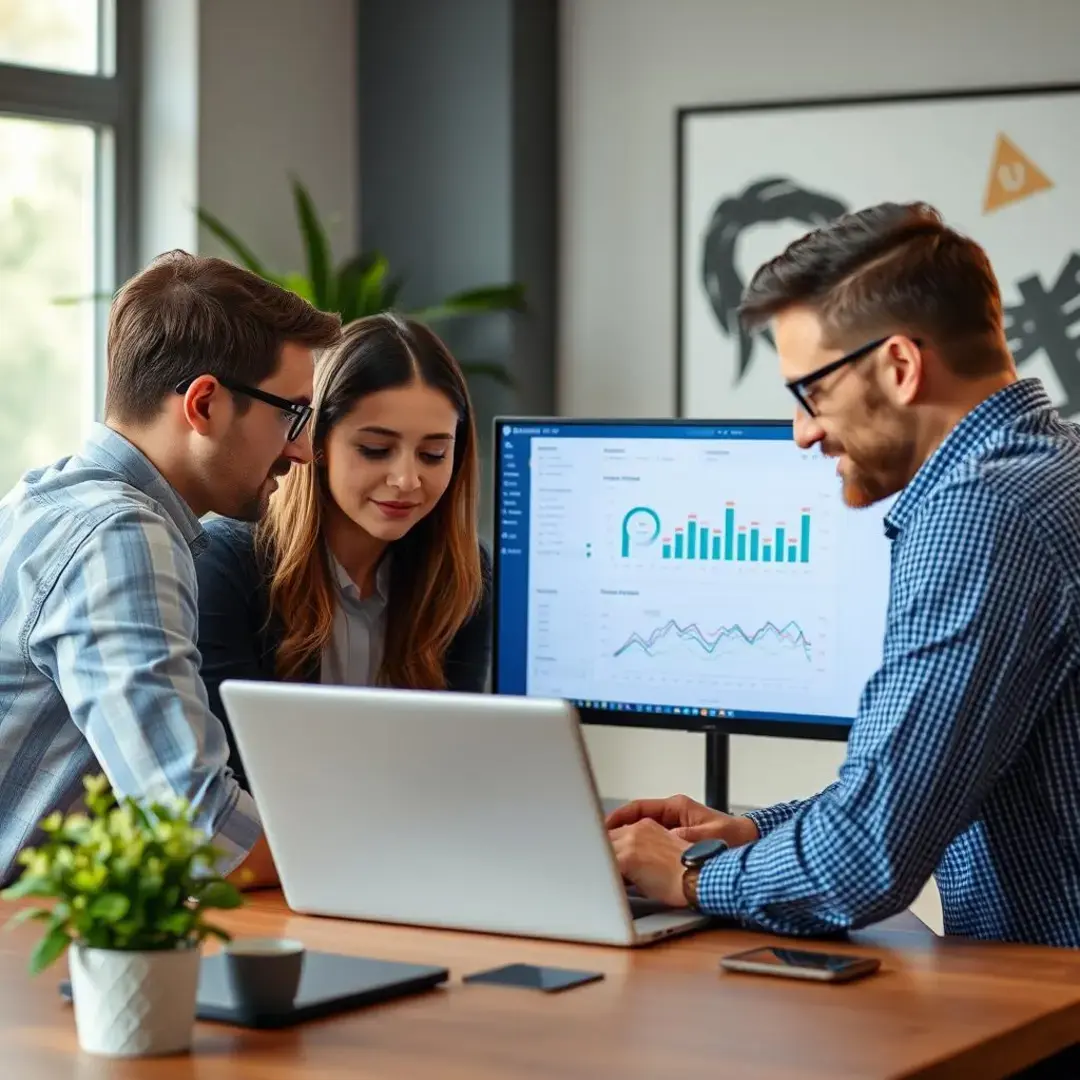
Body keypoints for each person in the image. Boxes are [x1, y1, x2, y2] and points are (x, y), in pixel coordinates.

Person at [608, 201, 1080, 949]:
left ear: (899, 365)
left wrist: (691, 878)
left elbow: (867, 856)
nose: (801, 433)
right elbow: (923, 777)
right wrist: (750, 832)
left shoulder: (982, 514)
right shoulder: (1052, 467)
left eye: (812, 393)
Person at [0, 250, 342, 888]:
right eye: (291, 415)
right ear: (205, 404)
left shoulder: (49, 498)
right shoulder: (123, 535)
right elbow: (194, 833)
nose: (301, 450)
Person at [194, 313, 491, 789]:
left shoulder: (466, 577)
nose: (407, 480)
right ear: (318, 442)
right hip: (265, 854)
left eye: (434, 454)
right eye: (375, 449)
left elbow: (449, 773)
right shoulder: (225, 566)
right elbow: (231, 786)